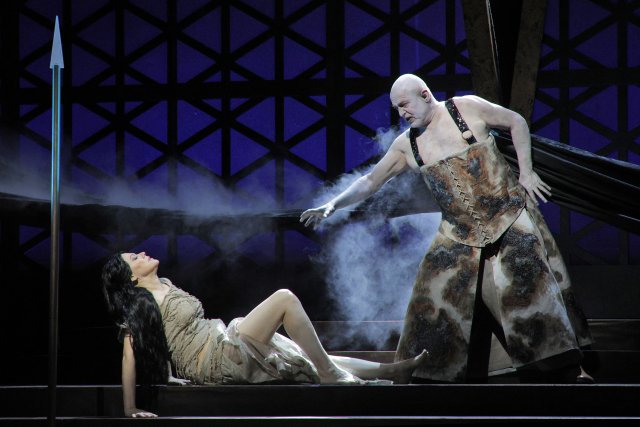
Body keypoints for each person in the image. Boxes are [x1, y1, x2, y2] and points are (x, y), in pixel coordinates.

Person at [300, 74, 593, 384]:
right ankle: (424, 377)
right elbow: (370, 181)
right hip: (459, 232)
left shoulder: (467, 108)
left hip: (508, 214)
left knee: (530, 280)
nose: (402, 113)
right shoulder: (407, 145)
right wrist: (332, 205)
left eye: (405, 104)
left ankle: (570, 369)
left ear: (425, 95)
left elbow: (516, 121)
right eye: (397, 109)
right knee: (430, 295)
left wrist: (527, 173)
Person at [101, 251, 427, 418]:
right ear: (131, 279)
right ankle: (332, 374)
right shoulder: (142, 303)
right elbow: (131, 353)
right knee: (284, 299)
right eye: (134, 258)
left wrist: (167, 372)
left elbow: (162, 341)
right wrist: (130, 408)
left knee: (304, 357)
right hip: (216, 358)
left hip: (223, 339)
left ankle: (393, 371)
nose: (142, 254)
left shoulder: (166, 284)